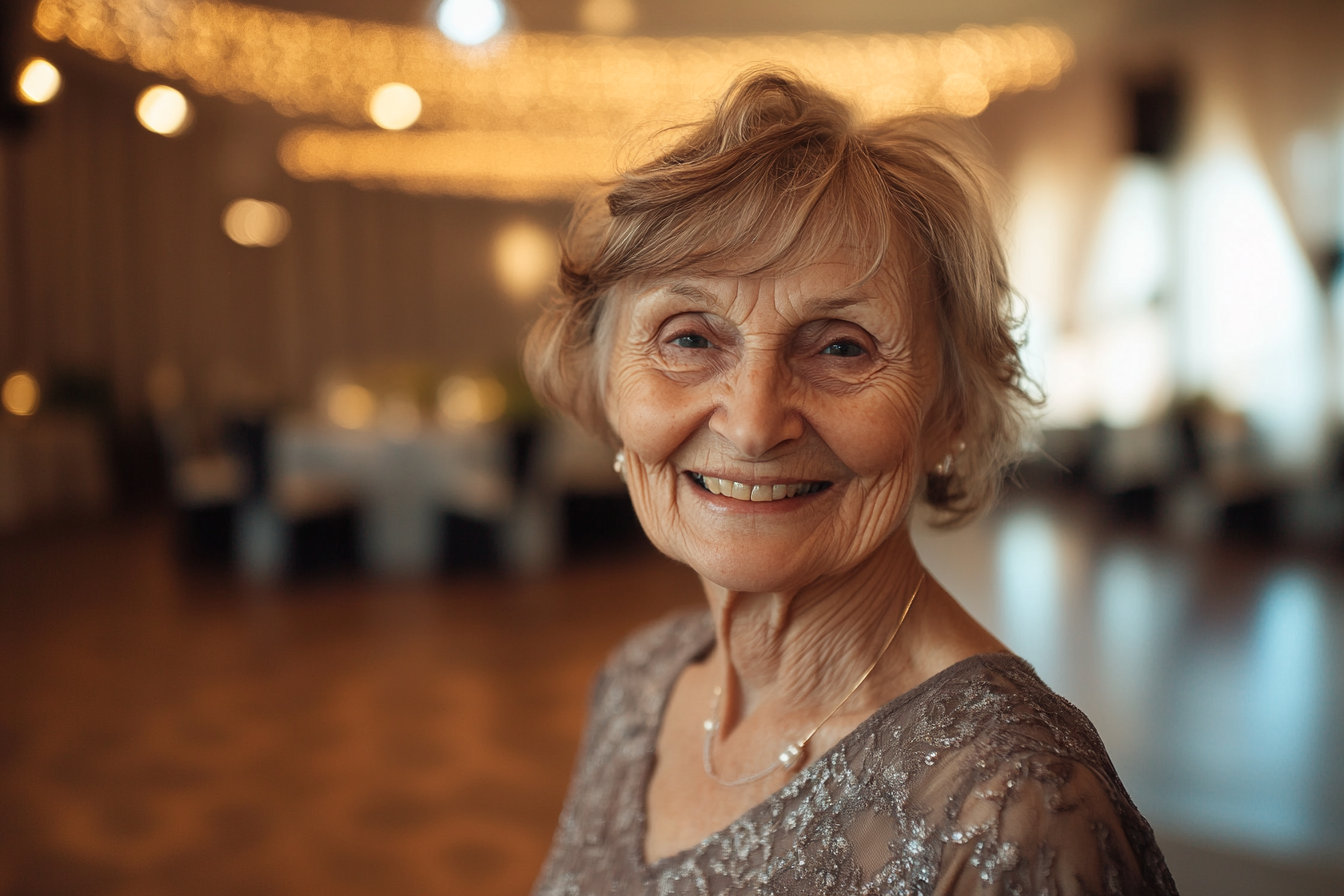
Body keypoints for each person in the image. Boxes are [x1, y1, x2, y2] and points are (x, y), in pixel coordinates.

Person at [524, 68, 1178, 895]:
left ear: (952, 408)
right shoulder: (636, 685)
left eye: (841, 347)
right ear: (606, 383)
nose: (755, 423)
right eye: (690, 339)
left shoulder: (1016, 808)